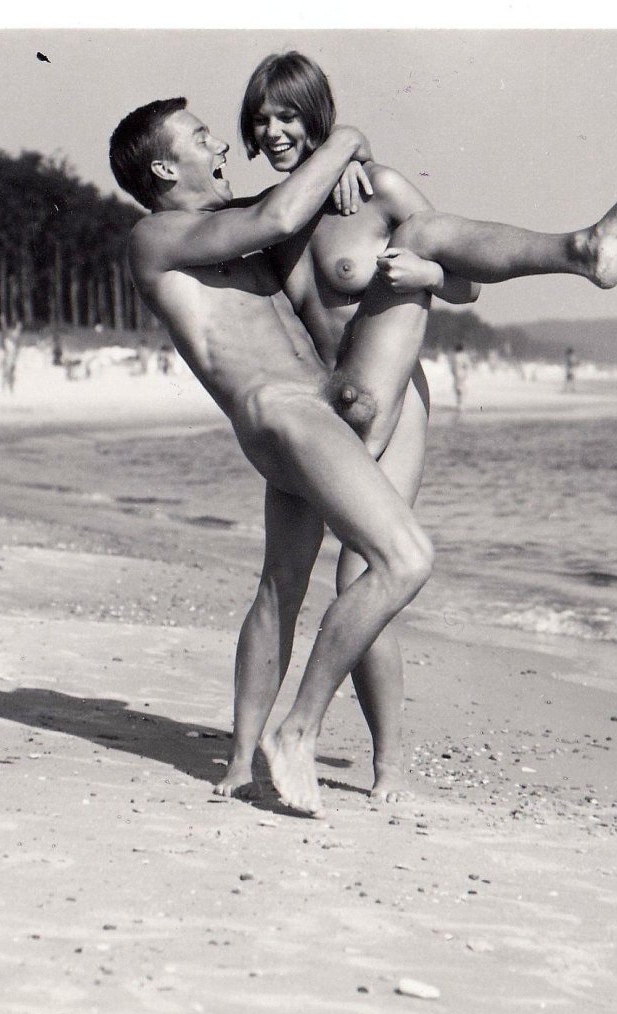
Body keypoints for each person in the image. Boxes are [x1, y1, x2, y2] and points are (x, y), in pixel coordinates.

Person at [215, 51, 617, 803]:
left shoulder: (380, 190)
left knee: (364, 575)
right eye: (262, 119)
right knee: (278, 585)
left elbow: (468, 284)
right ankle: (237, 757)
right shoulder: (272, 216)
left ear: (315, 114)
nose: (274, 129)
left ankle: (388, 765)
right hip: (318, 412)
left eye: (288, 115)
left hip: (391, 403)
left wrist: (429, 280)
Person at [110, 97, 436, 815]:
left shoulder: (226, 230)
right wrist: (348, 136)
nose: (221, 146)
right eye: (200, 139)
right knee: (404, 558)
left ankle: (238, 761)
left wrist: (345, 173)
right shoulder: (157, 236)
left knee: (280, 587)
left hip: (307, 416)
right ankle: (297, 730)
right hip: (282, 414)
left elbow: (291, 206)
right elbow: (280, 216)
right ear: (165, 167)